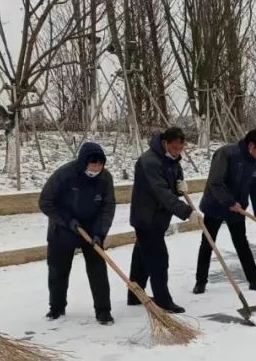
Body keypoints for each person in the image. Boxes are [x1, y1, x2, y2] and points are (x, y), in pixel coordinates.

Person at [38, 141, 116, 324]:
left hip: (92, 229)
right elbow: (45, 202)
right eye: (93, 164)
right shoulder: (64, 175)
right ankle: (56, 308)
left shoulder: (105, 178)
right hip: (64, 228)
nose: (96, 168)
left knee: (98, 271)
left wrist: (99, 233)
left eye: (100, 164)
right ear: (83, 162)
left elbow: (108, 207)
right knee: (58, 271)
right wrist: (67, 221)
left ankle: (103, 311)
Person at [194, 129, 256, 294]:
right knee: (207, 243)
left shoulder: (255, 162)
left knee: (242, 244)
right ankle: (200, 282)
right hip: (215, 205)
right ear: (252, 145)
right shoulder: (226, 153)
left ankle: (254, 281)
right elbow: (215, 182)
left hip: (237, 210)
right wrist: (229, 201)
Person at [127, 127, 193, 313]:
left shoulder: (172, 160)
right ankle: (163, 299)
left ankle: (134, 294)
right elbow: (161, 192)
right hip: (147, 217)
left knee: (141, 258)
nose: (178, 150)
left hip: (159, 217)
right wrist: (186, 211)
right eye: (175, 147)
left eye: (181, 147)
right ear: (165, 142)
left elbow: (173, 184)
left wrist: (180, 187)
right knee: (158, 259)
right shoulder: (149, 161)